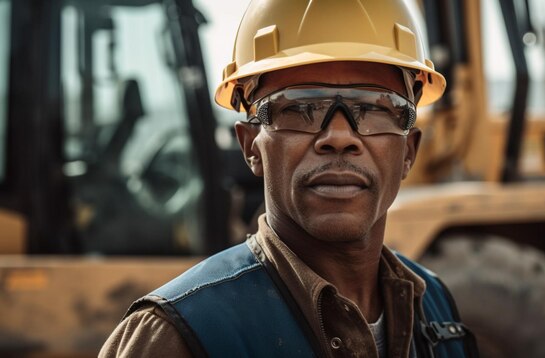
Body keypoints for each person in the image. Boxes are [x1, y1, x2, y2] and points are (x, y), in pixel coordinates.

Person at [100, 0, 478, 357]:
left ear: (408, 150)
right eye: (300, 108)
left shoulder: (435, 306)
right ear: (251, 147)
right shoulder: (178, 337)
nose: (340, 138)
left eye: (373, 108)